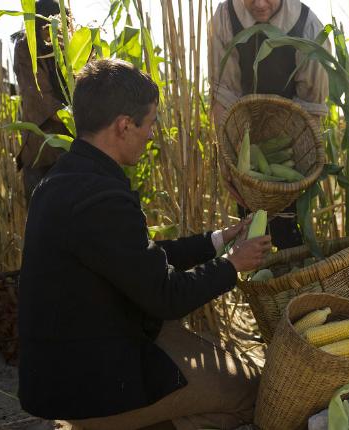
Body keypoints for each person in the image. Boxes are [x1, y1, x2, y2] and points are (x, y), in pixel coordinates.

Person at [18, 58, 272, 430]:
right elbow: (166, 296)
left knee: (207, 362)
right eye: (150, 123)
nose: (152, 134)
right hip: (90, 384)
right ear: (124, 126)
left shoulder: (66, 179)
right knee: (250, 394)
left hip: (72, 365)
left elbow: (137, 260)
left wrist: (217, 241)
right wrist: (233, 264)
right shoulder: (101, 198)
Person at [208, 0, 329, 249]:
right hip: (245, 145)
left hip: (289, 144)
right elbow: (224, 94)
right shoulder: (225, 17)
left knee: (288, 237)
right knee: (248, 235)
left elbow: (311, 108)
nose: (260, 4)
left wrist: (293, 177)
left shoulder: (308, 26)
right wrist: (228, 156)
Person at [12, 0, 71, 205]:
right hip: (42, 154)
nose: (55, 32)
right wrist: (78, 118)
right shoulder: (25, 48)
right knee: (46, 222)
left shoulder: (73, 45)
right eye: (49, 27)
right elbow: (40, 97)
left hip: (75, 150)